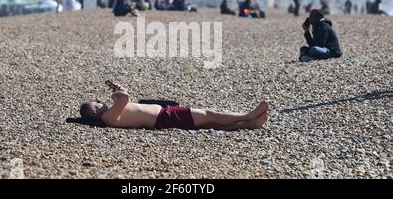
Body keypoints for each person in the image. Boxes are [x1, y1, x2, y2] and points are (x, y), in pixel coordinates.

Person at [79, 84, 269, 131]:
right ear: (95, 111)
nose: (100, 102)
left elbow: (125, 101)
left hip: (164, 117)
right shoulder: (107, 117)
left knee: (206, 123)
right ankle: (248, 114)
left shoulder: (111, 114)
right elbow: (125, 99)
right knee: (208, 114)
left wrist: (121, 92)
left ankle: (247, 124)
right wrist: (117, 93)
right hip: (164, 117)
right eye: (97, 103)